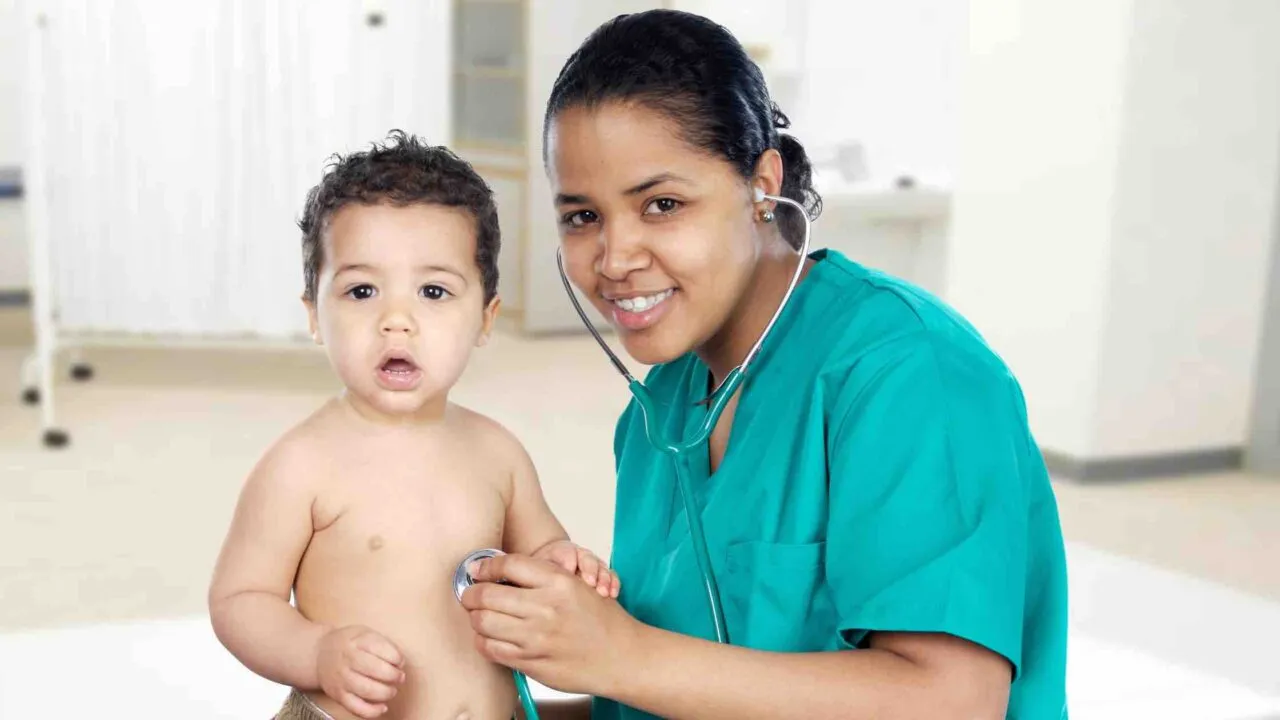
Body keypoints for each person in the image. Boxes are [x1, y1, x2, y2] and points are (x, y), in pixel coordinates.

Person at [459, 10, 1069, 720]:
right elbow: (671, 692)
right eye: (581, 216)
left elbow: (953, 701)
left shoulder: (909, 372)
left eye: (662, 204)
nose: (615, 258)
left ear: (761, 183)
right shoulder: (661, 408)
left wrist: (620, 654)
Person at [208, 131, 619, 720]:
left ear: (485, 316)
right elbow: (240, 600)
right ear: (314, 315)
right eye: (361, 290)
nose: (396, 320)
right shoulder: (303, 464)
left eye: (433, 291)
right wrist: (317, 652)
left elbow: (540, 549)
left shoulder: (496, 451)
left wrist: (565, 566)